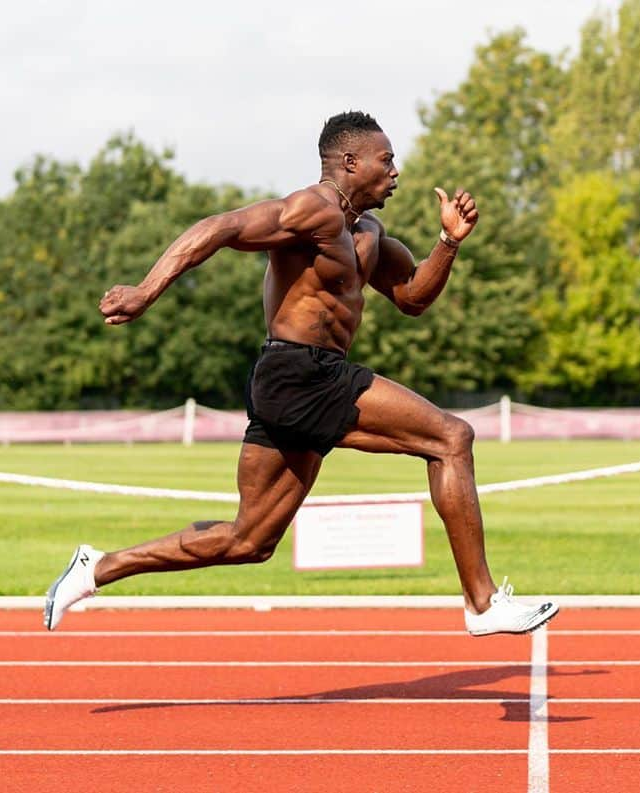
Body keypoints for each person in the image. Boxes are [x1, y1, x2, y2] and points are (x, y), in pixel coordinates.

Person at [44, 111, 557, 636]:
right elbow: (218, 228)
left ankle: (97, 567)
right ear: (350, 161)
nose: (397, 171)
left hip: (301, 381)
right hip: (299, 372)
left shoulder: (368, 232)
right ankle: (482, 601)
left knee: (250, 540)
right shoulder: (311, 210)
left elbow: (413, 297)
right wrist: (145, 291)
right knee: (451, 438)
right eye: (387, 159)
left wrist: (448, 243)